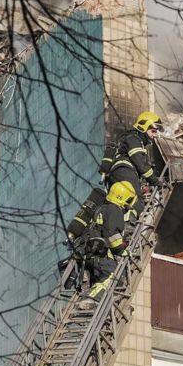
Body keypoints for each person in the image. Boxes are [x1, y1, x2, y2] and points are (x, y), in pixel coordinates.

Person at [77, 180, 139, 310]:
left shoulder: (102, 207)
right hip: (100, 253)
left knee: (106, 275)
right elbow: (112, 235)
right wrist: (121, 251)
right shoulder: (115, 210)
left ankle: (90, 283)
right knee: (113, 276)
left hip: (88, 250)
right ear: (123, 198)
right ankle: (91, 298)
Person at [99, 111, 162, 201]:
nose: (154, 135)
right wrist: (155, 181)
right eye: (153, 131)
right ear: (143, 127)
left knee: (124, 203)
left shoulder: (134, 140)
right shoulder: (133, 139)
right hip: (125, 173)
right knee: (137, 202)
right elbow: (140, 163)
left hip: (119, 174)